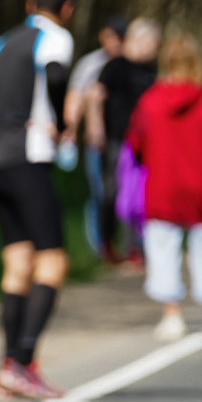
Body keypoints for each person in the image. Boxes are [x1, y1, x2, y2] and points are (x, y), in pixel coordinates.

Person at [0, 0, 77, 400]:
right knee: (53, 262)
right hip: (31, 155)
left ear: (30, 5)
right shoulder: (56, 38)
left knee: (18, 262)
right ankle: (23, 361)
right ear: (66, 9)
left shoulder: (3, 41)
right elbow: (55, 75)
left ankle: (8, 367)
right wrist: (61, 124)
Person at [127, 34, 202, 343]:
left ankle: (172, 315)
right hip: (201, 190)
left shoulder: (150, 102)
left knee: (163, 251)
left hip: (162, 188)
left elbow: (135, 144)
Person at [90, 18, 161, 263]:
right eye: (154, 43)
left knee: (138, 195)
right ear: (142, 40)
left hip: (145, 143)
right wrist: (95, 126)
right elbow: (96, 97)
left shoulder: (153, 70)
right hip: (116, 139)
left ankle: (135, 247)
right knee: (112, 192)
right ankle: (107, 243)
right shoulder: (115, 66)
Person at [64, 16, 125, 259]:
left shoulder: (130, 64)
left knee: (122, 192)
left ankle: (122, 245)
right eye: (113, 36)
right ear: (103, 37)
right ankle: (99, 248)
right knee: (99, 192)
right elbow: (75, 98)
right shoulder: (90, 65)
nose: (117, 42)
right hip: (95, 141)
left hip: (122, 140)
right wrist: (70, 131)